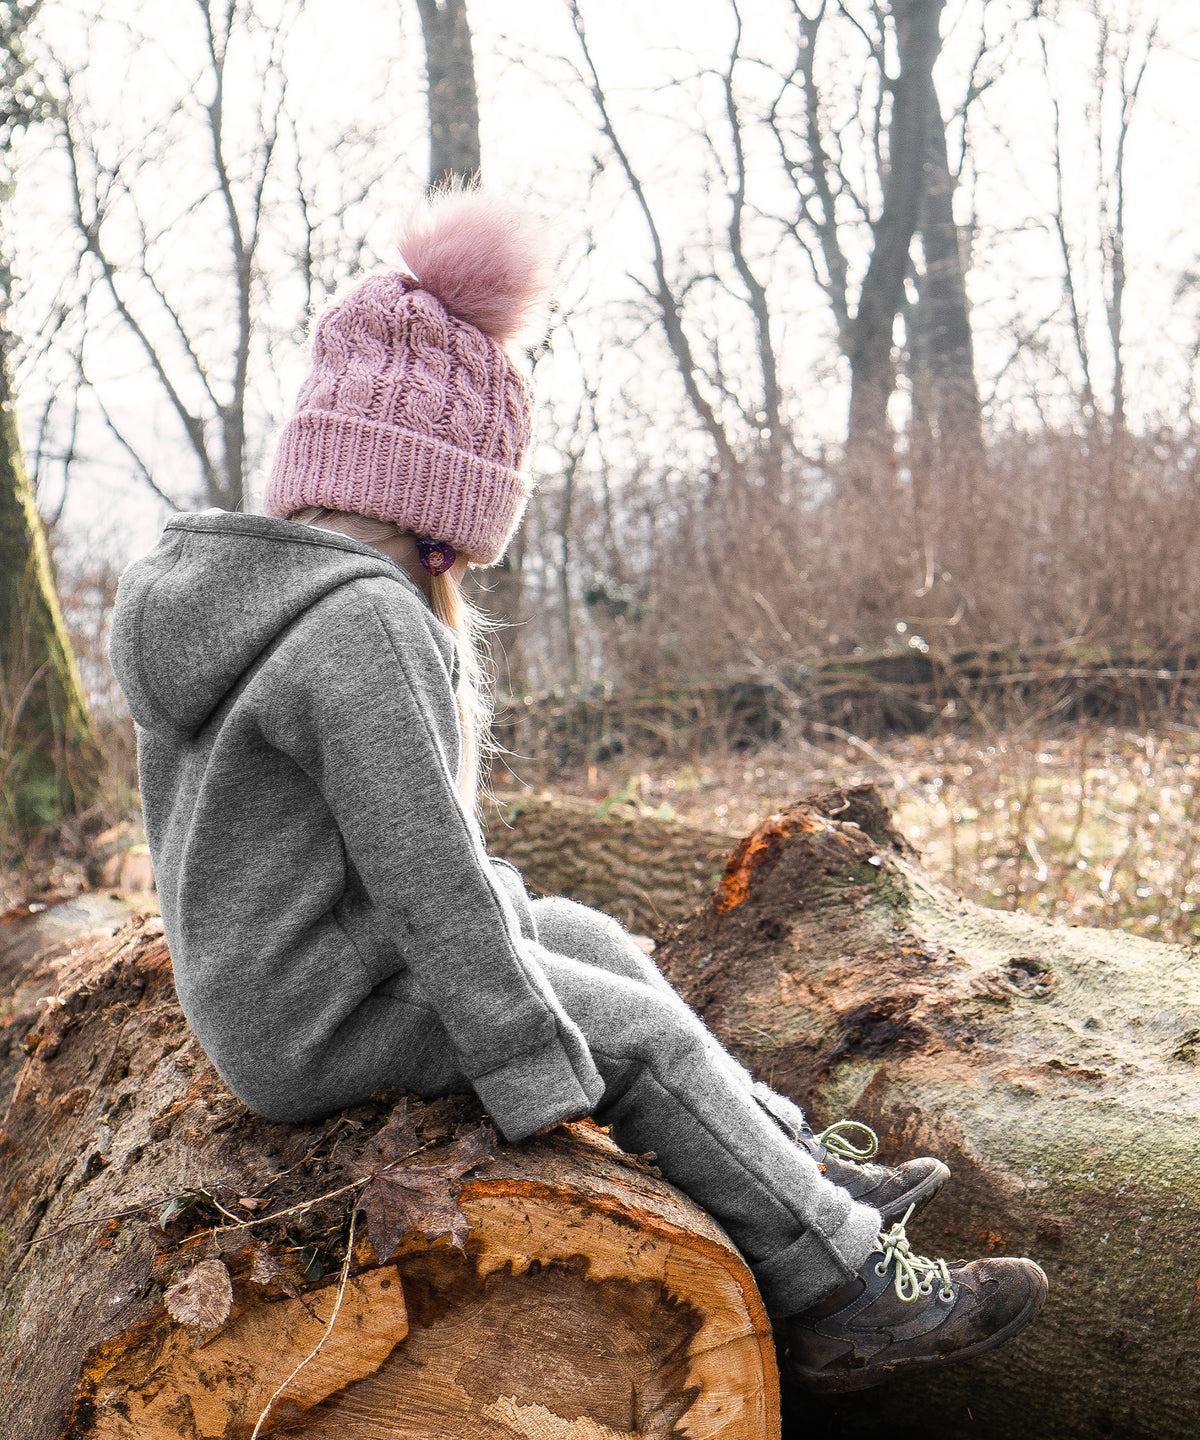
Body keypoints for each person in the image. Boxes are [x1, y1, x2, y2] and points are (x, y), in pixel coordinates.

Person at [109, 188, 1046, 1393]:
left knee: (582, 931)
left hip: (277, 994)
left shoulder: (232, 599)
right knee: (635, 1036)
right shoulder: (361, 623)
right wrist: (530, 1062)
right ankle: (847, 1289)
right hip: (325, 1017)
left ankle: (795, 1165)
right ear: (445, 503)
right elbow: (429, 877)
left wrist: (525, 972)